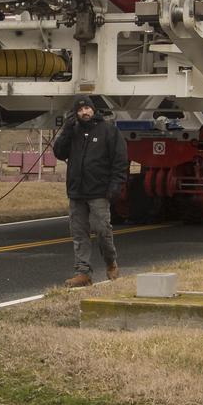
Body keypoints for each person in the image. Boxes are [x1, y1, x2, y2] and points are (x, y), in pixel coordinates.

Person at [53, 95, 128, 287]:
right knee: (79, 233)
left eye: (87, 108)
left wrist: (115, 185)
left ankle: (110, 262)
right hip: (77, 192)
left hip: (99, 191)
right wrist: (67, 130)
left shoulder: (108, 131)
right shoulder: (73, 132)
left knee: (103, 230)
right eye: (80, 109)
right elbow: (59, 152)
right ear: (75, 113)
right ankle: (83, 272)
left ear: (93, 110)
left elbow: (120, 161)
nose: (84, 112)